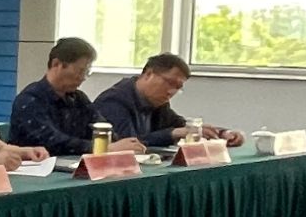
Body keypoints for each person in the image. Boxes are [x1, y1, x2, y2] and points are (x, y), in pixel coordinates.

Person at [8, 37, 146, 157]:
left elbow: (101, 127)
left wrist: (122, 144)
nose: (83, 78)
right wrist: (105, 148)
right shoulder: (30, 99)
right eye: (80, 71)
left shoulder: (79, 99)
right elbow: (53, 142)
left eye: (87, 72)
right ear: (57, 64)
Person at [95, 53, 246, 149]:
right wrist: (173, 134)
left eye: (177, 88)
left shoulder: (157, 101)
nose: (171, 92)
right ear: (148, 74)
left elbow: (181, 125)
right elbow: (129, 144)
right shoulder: (114, 101)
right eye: (169, 83)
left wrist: (223, 133)